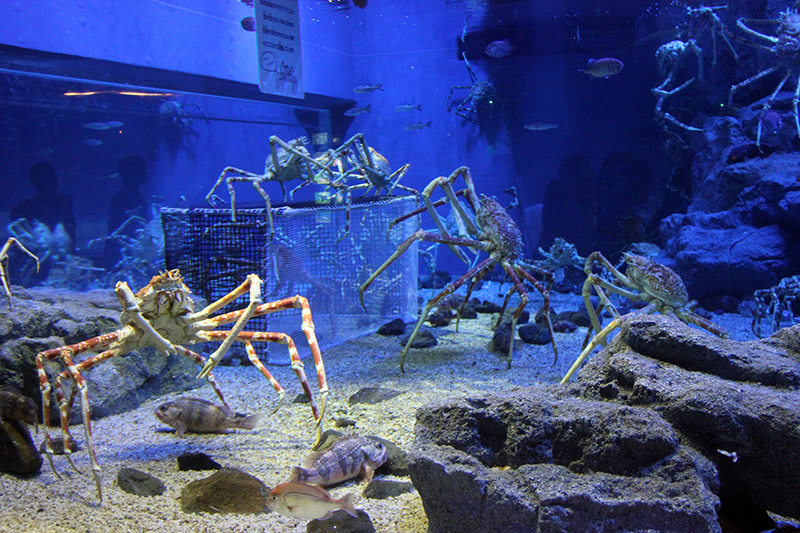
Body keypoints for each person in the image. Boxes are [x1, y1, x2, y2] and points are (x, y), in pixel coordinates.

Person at [11, 162, 77, 248]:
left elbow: (71, 229)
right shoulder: (22, 208)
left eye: (52, 177)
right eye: (46, 178)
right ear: (35, 181)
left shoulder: (65, 201)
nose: (53, 181)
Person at [108, 155, 149, 235]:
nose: (145, 173)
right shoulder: (122, 200)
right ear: (130, 174)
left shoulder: (137, 197)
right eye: (141, 170)